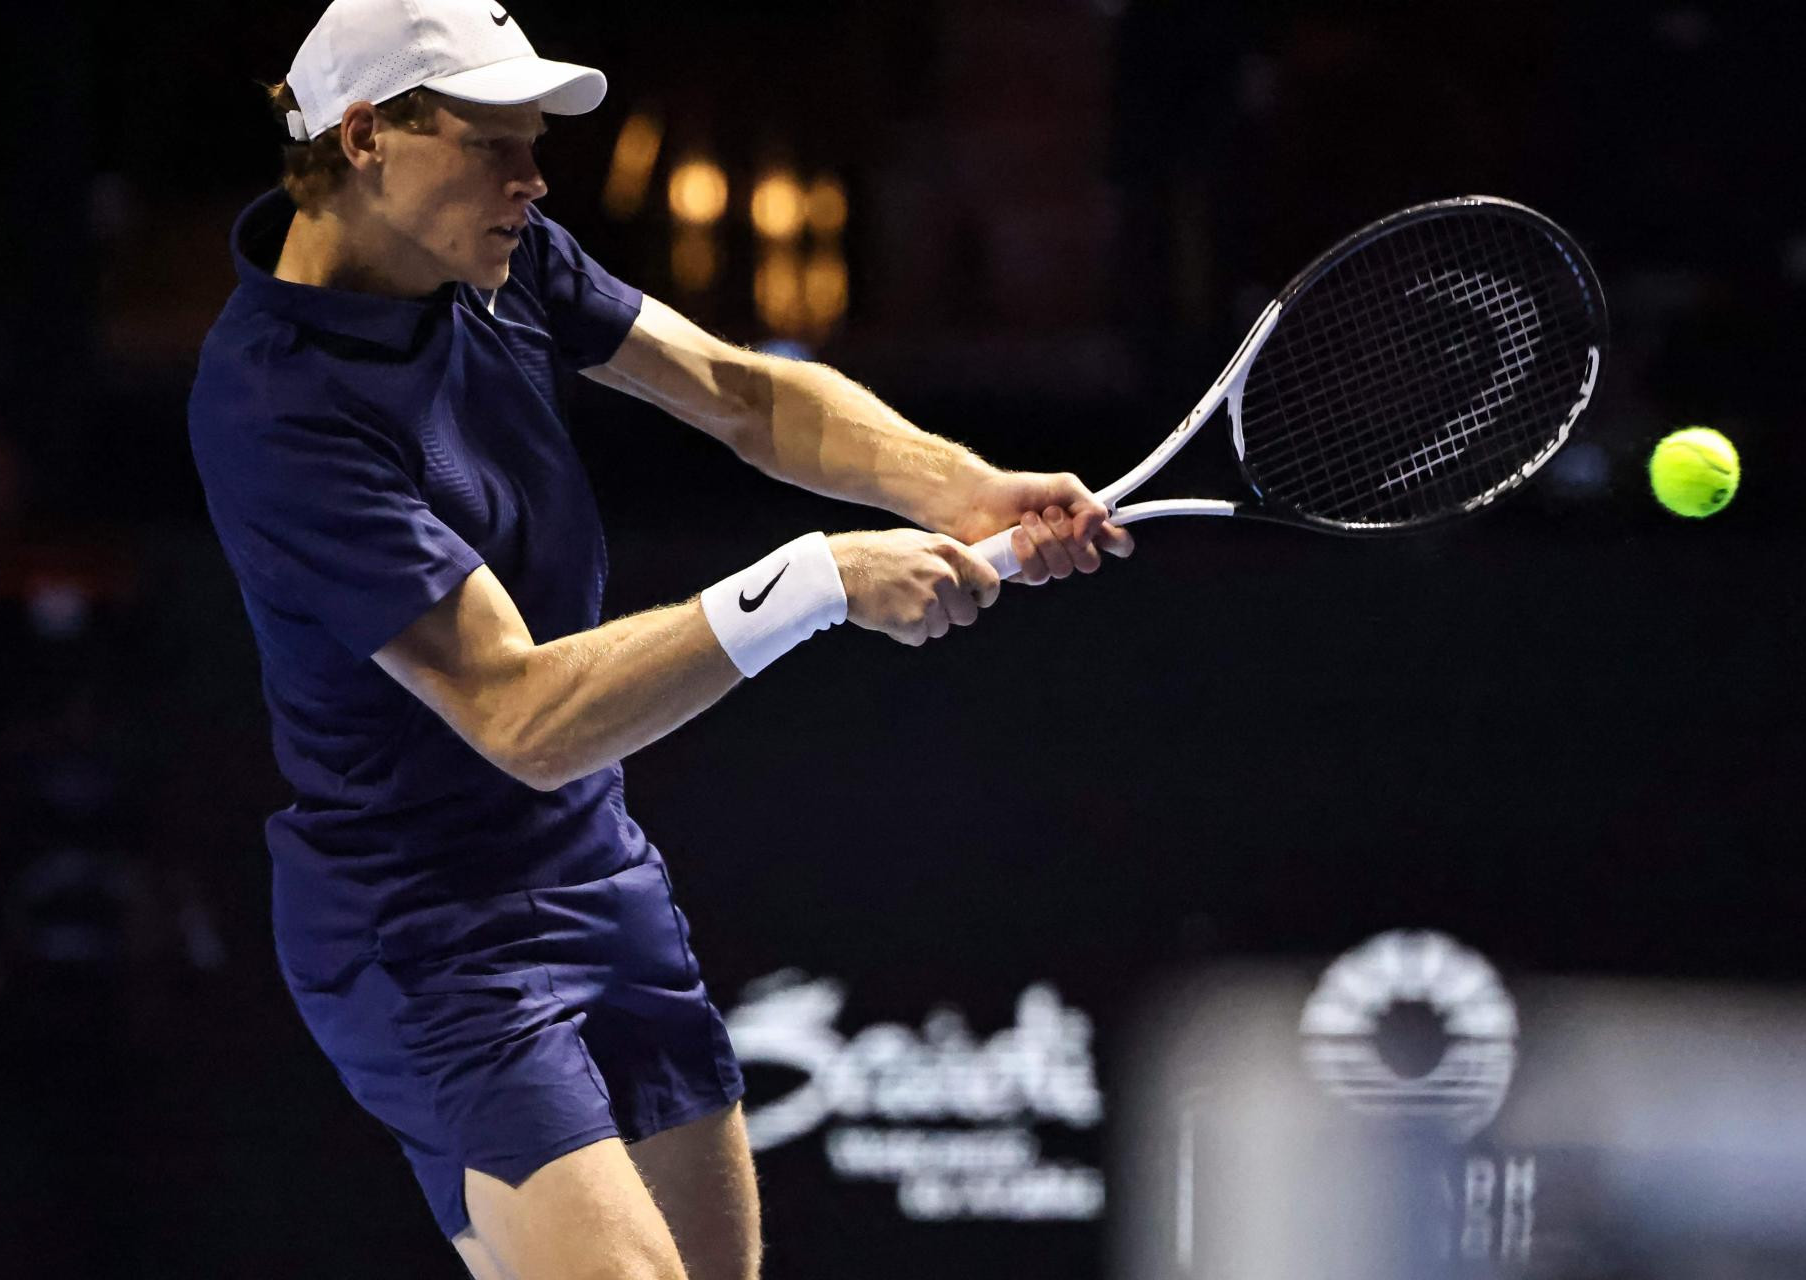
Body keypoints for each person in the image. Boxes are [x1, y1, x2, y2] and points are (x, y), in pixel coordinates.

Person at [187, 1, 1130, 1276]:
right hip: (425, 928)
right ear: (364, 138)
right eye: (494, 143)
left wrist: (960, 486)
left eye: (535, 143)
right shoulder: (276, 404)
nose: (533, 178)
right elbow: (521, 713)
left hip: (594, 864)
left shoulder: (499, 258)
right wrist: (816, 579)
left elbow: (740, 393)